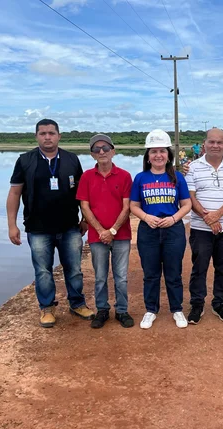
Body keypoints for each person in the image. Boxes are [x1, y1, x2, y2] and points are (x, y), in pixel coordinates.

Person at [7, 118, 94, 328]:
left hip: (70, 226)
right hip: (37, 228)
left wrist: (85, 219)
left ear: (59, 136)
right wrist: (12, 225)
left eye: (51, 133)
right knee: (43, 271)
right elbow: (15, 193)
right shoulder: (25, 160)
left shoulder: (72, 159)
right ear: (36, 136)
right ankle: (47, 308)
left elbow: (83, 194)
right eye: (43, 133)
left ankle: (77, 303)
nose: (47, 137)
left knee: (74, 268)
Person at [129, 129, 192, 329]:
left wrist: (174, 219)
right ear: (148, 156)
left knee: (174, 273)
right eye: (153, 151)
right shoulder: (140, 178)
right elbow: (133, 206)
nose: (158, 155)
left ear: (168, 155)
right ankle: (151, 310)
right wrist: (147, 217)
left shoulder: (177, 177)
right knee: (151, 273)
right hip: (149, 230)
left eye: (162, 151)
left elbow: (187, 204)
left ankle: (177, 309)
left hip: (173, 230)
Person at [185, 128, 223, 324]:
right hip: (200, 228)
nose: (215, 145)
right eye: (211, 142)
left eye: (219, 142)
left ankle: (219, 303)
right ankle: (197, 304)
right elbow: (190, 198)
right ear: (205, 143)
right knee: (199, 267)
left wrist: (217, 215)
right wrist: (208, 218)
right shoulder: (193, 167)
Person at [77, 134, 134, 329]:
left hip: (121, 235)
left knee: (121, 276)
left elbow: (127, 207)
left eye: (105, 148)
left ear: (113, 151)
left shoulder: (125, 176)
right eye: (96, 149)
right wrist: (102, 231)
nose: (101, 152)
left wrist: (113, 230)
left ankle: (122, 310)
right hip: (96, 236)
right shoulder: (86, 177)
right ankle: (102, 309)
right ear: (92, 155)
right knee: (100, 276)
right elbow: (84, 206)